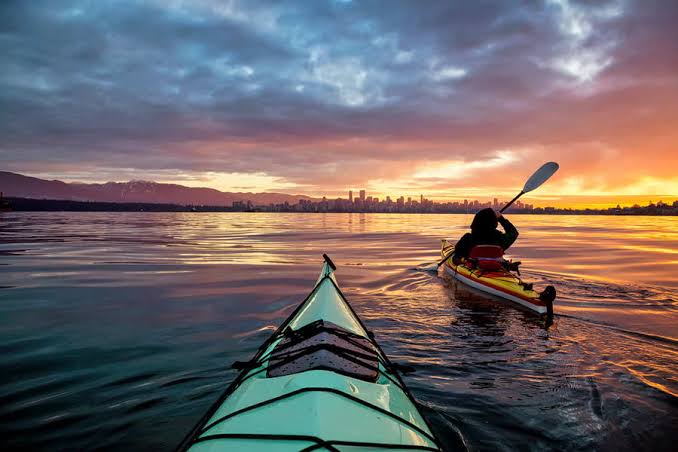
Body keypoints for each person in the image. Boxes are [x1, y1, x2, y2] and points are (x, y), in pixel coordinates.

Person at [453, 207, 518, 263]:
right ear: (494, 222)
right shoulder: (500, 238)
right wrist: (501, 218)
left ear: (476, 221)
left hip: (473, 268)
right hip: (496, 267)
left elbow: (456, 257)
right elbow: (513, 233)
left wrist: (461, 259)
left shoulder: (468, 238)